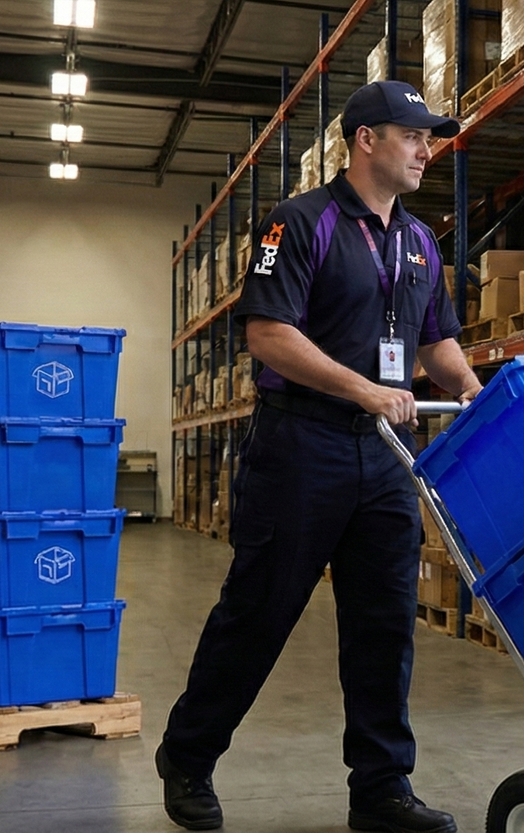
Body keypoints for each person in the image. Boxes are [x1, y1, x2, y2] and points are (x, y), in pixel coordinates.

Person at [155, 80, 478, 833]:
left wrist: (470, 389)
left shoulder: (420, 241)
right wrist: (364, 388)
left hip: (387, 453)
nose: (428, 149)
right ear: (366, 139)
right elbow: (267, 334)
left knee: (384, 622)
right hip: (302, 445)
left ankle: (381, 787)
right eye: (413, 135)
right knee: (259, 611)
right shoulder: (299, 224)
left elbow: (435, 341)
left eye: (430, 136)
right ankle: (188, 755)